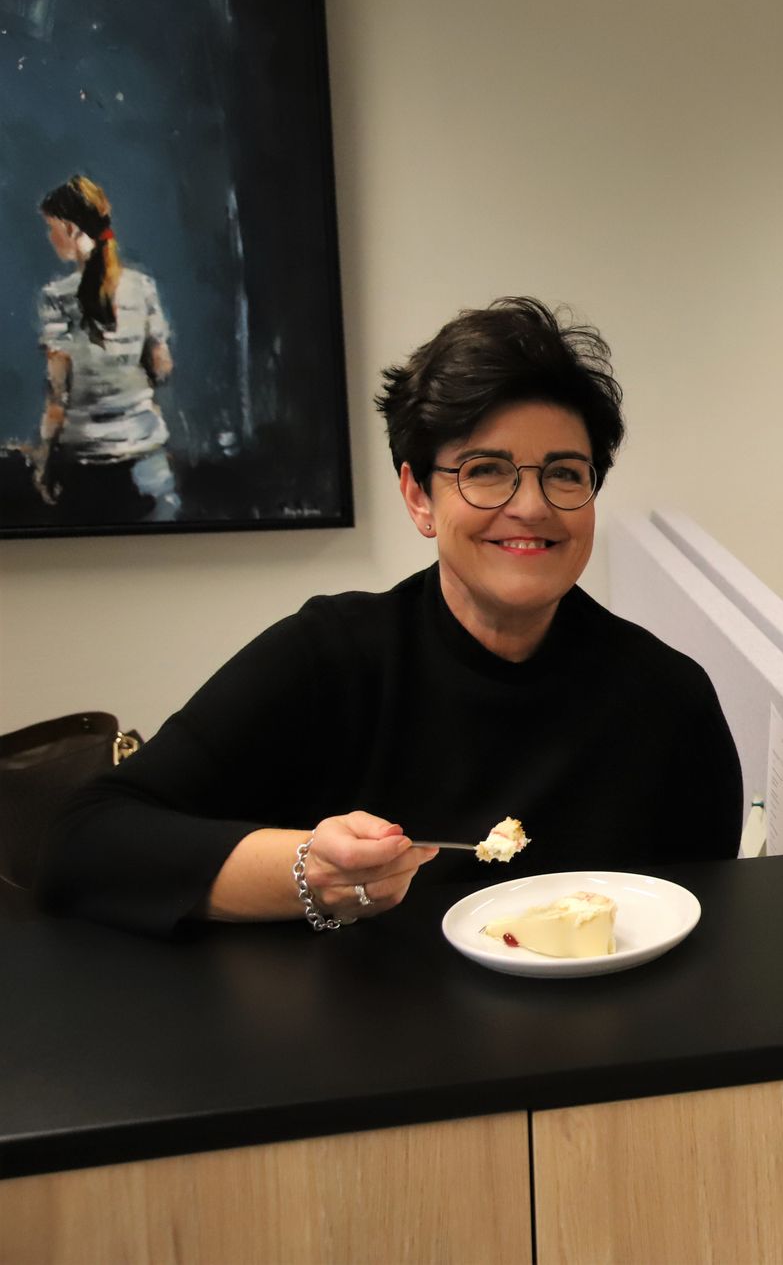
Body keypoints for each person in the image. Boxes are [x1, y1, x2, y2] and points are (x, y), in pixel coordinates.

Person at [41, 298, 743, 936]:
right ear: (417, 496)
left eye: (564, 472)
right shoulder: (329, 658)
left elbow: (702, 930)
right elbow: (82, 841)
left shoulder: (667, 701)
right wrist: (307, 870)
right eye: (486, 468)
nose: (530, 505)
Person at [32, 174, 180, 522]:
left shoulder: (56, 299)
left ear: (70, 229)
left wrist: (43, 463)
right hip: (148, 466)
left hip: (86, 471)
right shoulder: (143, 287)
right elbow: (162, 367)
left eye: (51, 227)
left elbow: (58, 398)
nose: (49, 236)